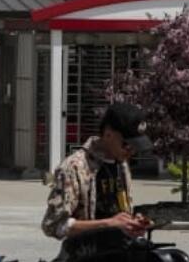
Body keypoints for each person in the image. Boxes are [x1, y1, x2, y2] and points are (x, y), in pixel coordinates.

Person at [42, 102, 153, 241]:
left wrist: (132, 222)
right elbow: (53, 224)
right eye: (126, 145)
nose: (131, 151)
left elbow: (118, 214)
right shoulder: (75, 167)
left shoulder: (121, 163)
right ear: (108, 135)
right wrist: (108, 224)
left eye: (135, 146)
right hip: (86, 257)